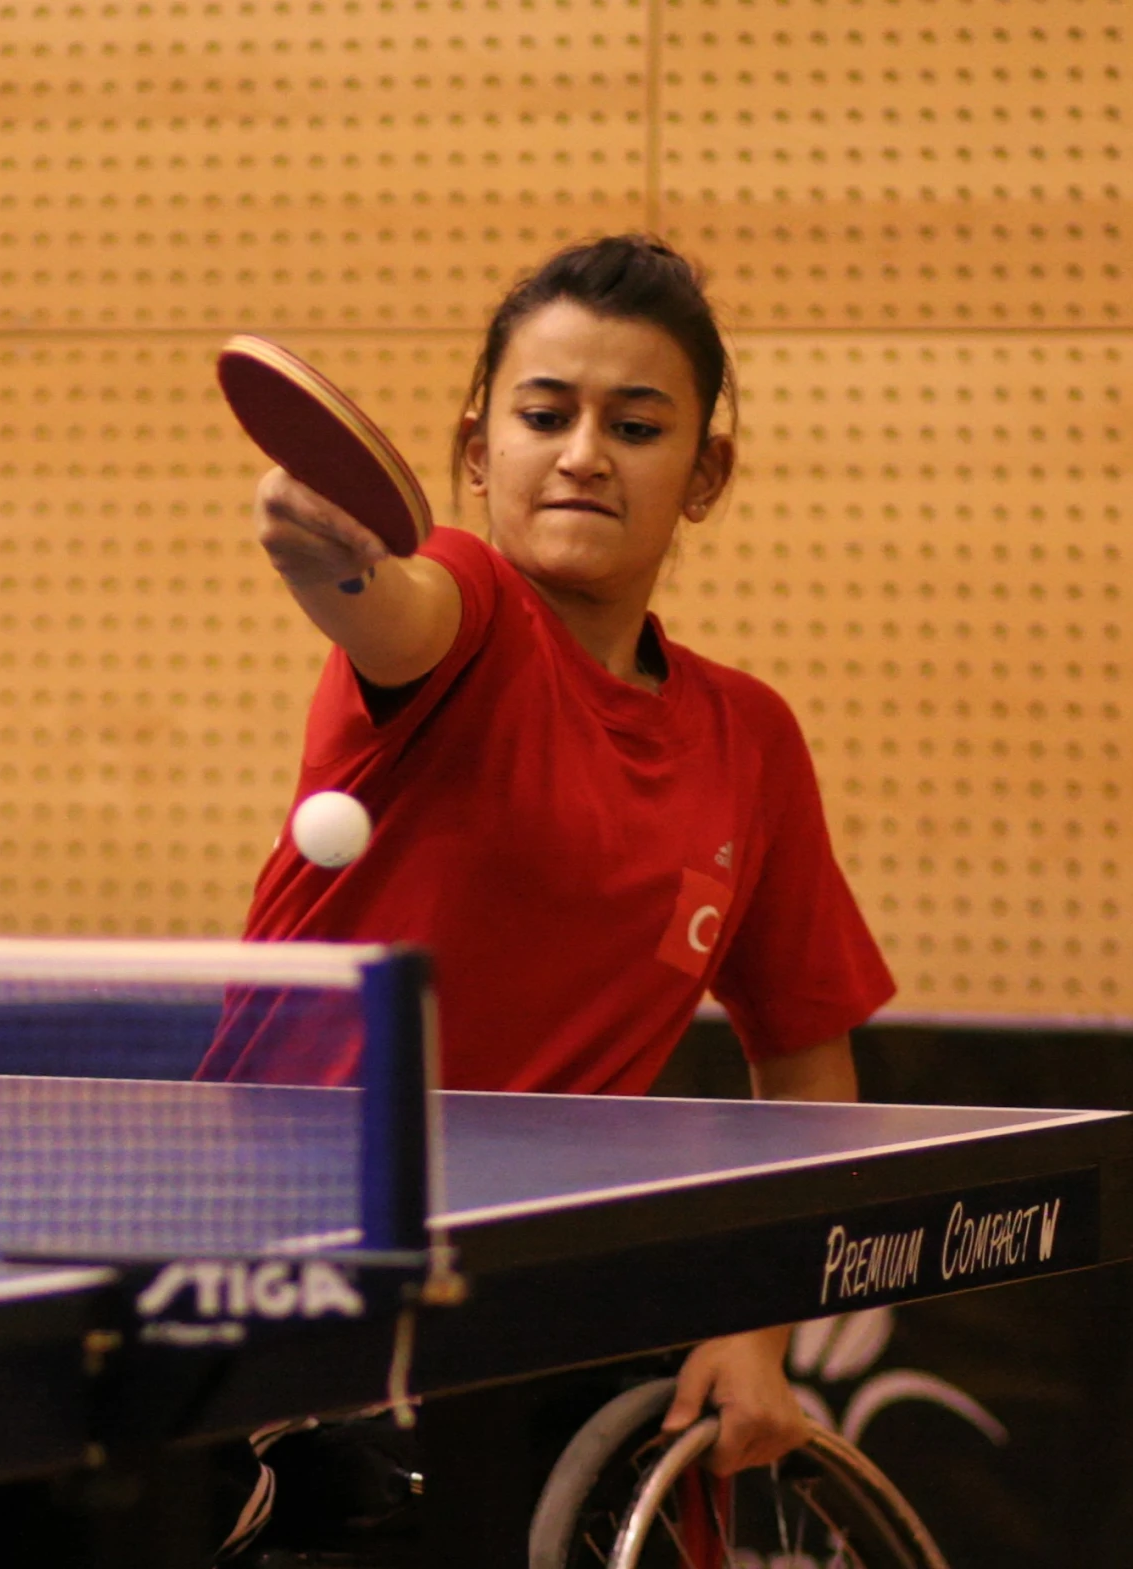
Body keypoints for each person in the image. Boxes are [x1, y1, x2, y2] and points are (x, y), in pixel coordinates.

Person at [207, 234, 896, 1535]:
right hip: (279, 1258)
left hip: (523, 1294)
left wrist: (763, 1337)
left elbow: (808, 1067)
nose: (583, 452)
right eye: (544, 414)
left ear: (707, 472)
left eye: (636, 425)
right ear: (479, 449)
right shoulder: (468, 610)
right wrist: (331, 566)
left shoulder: (749, 741)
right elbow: (394, 611)